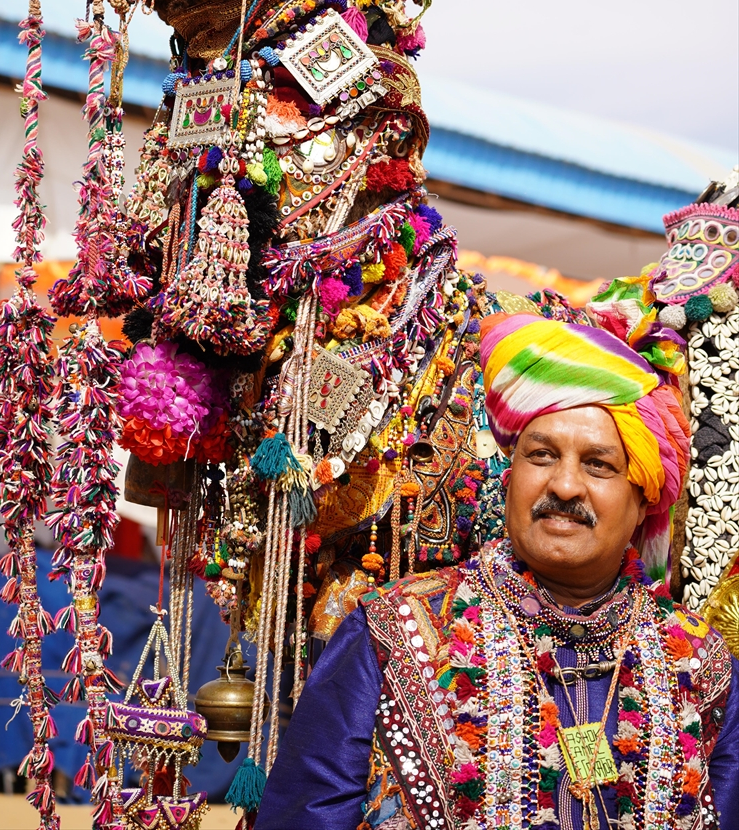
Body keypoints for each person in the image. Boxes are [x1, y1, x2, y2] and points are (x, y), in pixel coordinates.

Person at [255, 313, 739, 830]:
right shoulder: (392, 630)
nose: (565, 486)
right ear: (510, 478)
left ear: (642, 500)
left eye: (598, 464)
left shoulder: (701, 662)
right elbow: (308, 812)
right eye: (542, 456)